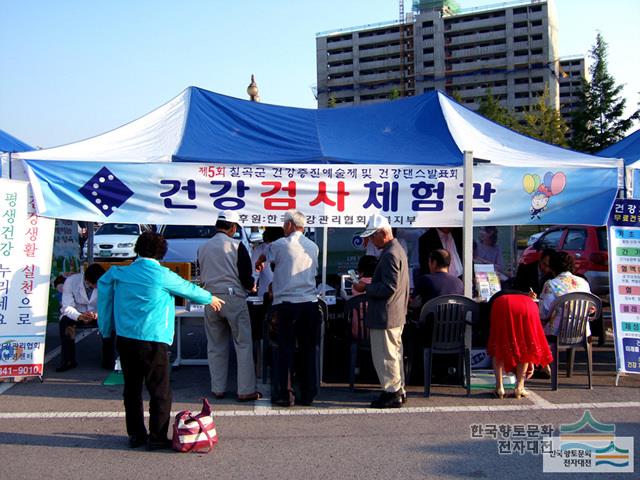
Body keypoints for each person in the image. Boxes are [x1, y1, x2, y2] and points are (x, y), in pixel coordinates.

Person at [98, 232, 224, 450]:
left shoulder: (120, 273)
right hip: (153, 339)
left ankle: (136, 435)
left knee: (132, 389)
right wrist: (211, 298)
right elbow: (189, 289)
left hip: (126, 338)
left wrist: (106, 328)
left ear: (137, 249)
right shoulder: (162, 275)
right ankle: (157, 437)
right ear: (162, 252)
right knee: (160, 391)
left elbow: (104, 292)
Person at [256, 210, 320, 407]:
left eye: (285, 224)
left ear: (291, 225)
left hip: (287, 304)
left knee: (285, 350)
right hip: (310, 303)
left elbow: (264, 256)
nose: (283, 227)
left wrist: (260, 261)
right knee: (308, 350)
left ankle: (285, 394)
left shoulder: (279, 244)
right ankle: (308, 394)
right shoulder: (314, 246)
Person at [197, 211, 261, 402]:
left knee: (215, 345)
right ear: (233, 227)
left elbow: (200, 272)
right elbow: (245, 277)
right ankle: (245, 389)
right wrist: (252, 285)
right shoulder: (236, 245)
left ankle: (218, 388)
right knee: (243, 343)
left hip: (210, 298)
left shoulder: (203, 247)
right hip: (233, 298)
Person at [353, 213, 410, 408]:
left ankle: (391, 392)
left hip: (385, 314)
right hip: (395, 313)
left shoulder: (389, 254)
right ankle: (398, 389)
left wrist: (365, 288)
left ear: (383, 233)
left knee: (386, 355)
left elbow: (389, 287)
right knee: (394, 353)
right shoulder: (397, 250)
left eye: (372, 236)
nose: (370, 240)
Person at [487, 291, 553, 399]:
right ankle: (519, 387)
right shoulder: (527, 297)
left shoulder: (497, 298)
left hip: (502, 304)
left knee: (499, 344)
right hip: (528, 305)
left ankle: (499, 387)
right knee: (525, 344)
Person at [57, 263, 114, 372]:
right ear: (86, 280)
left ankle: (109, 360)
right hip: (77, 313)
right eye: (94, 285)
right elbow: (66, 306)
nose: (97, 287)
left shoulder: (107, 283)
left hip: (98, 314)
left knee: (110, 323)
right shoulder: (71, 281)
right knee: (65, 322)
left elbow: (109, 304)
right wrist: (79, 316)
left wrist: (97, 314)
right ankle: (68, 360)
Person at [539, 251, 592, 337]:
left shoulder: (550, 284)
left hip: (557, 331)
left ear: (552, 267)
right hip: (582, 330)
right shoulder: (583, 282)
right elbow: (591, 307)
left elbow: (544, 313)